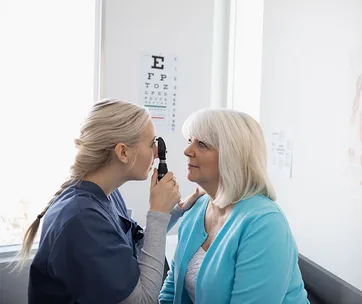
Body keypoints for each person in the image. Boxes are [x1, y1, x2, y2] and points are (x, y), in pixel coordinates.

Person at [16, 99, 202, 304]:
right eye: (151, 144)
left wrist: (173, 211)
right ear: (123, 152)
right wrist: (157, 214)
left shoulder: (106, 196)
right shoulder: (82, 219)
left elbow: (133, 244)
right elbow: (144, 301)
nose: (157, 153)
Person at [159, 108, 310, 304]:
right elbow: (173, 288)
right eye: (190, 141)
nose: (187, 151)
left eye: (202, 144)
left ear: (232, 156)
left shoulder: (265, 223)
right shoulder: (196, 208)